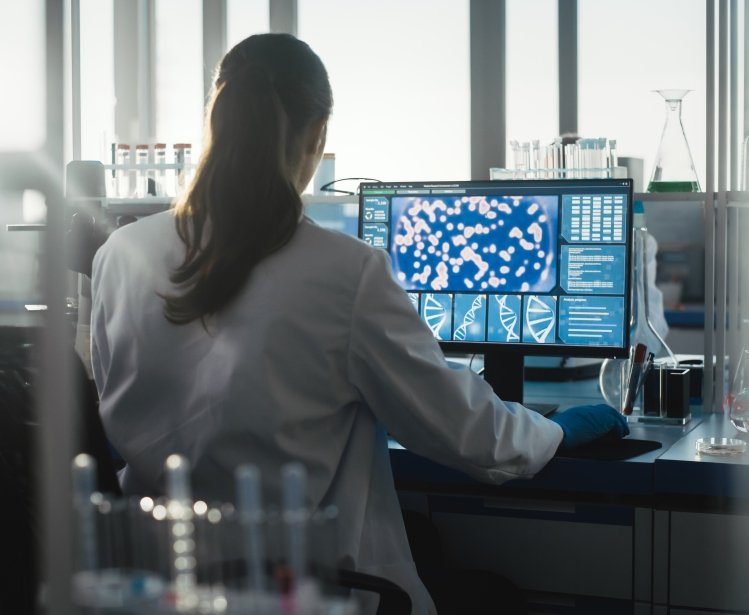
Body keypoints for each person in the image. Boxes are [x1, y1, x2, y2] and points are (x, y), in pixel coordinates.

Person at [90, 33, 628, 615]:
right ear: (317, 136)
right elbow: (474, 439)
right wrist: (560, 432)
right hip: (305, 592)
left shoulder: (120, 254)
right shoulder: (343, 271)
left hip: (159, 586)